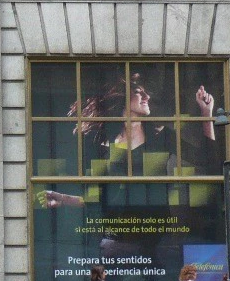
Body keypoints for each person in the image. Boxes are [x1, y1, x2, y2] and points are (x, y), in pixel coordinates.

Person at [38, 74, 216, 209]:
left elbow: (207, 157)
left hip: (155, 232)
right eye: (139, 92)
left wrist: (206, 113)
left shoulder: (160, 137)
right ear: (122, 98)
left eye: (146, 92)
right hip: (113, 236)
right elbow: (96, 199)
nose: (147, 97)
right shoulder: (102, 144)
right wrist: (62, 199)